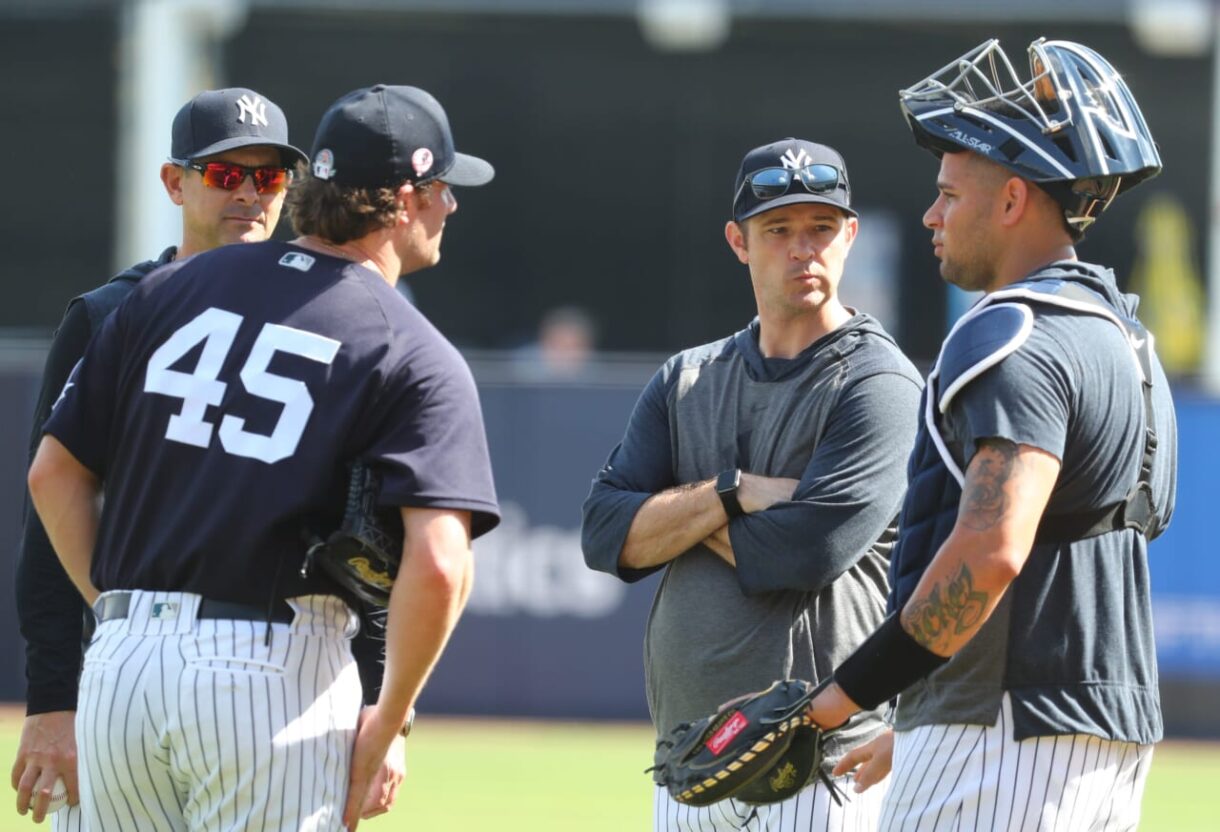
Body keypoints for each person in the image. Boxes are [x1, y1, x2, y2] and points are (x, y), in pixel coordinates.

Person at [27, 83, 500, 832]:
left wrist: (122, 614)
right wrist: (391, 715)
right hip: (270, 673)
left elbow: (52, 474)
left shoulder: (166, 291)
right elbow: (440, 564)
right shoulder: (411, 348)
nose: (452, 206)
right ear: (404, 199)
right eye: (442, 187)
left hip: (119, 668)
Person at [805, 38, 1178, 831]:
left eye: (948, 192)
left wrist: (840, 699)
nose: (931, 213)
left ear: (1012, 201)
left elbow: (991, 549)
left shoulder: (1011, 329)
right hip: (1102, 734)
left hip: (1002, 731)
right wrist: (912, 727)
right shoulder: (1122, 335)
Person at [581, 138, 922, 831]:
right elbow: (603, 536)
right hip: (688, 766)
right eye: (779, 230)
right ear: (739, 241)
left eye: (822, 228)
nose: (804, 249)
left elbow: (804, 554)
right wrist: (732, 490)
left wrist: (675, 520)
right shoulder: (687, 379)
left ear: (849, 235)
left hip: (818, 770)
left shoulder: (878, 383)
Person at [11, 86, 312, 829]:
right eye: (224, 175)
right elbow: (47, 515)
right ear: (176, 182)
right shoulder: (111, 314)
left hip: (271, 686)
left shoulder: (314, 320)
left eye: (268, 177)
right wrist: (53, 700)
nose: (248, 193)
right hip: (116, 689)